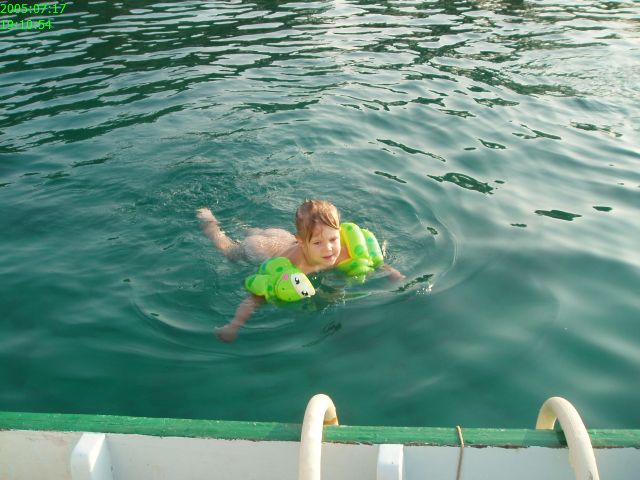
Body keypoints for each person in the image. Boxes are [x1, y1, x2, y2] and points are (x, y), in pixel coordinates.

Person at [197, 200, 404, 342]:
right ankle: (210, 223)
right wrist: (234, 325)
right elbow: (256, 296)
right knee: (229, 250)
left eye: (333, 239)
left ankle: (241, 224)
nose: (329, 249)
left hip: (283, 237)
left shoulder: (341, 251)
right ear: (303, 242)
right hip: (262, 248)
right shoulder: (296, 267)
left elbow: (369, 259)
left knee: (250, 229)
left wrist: (390, 271)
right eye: (318, 243)